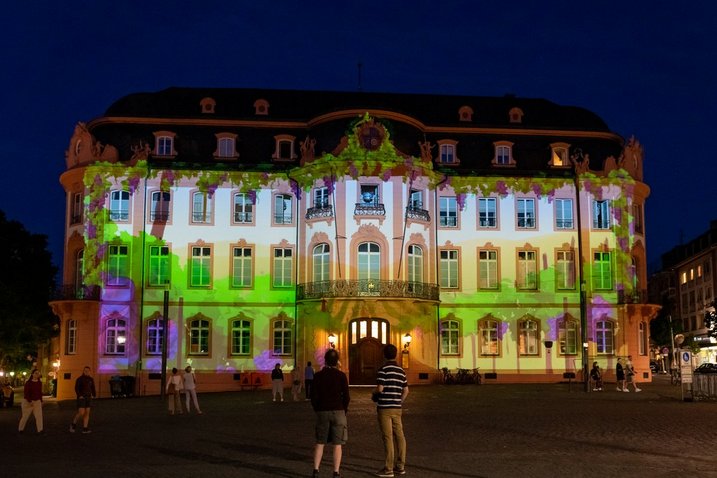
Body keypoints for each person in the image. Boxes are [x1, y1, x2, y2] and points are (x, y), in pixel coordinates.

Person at [311, 348, 350, 478]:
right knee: (337, 444)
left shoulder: (318, 376)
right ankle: (336, 472)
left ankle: (316, 470)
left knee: (320, 442)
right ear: (337, 361)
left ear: (325, 361)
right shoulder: (341, 376)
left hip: (322, 411)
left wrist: (317, 409)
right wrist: (343, 410)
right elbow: (347, 397)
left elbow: (313, 396)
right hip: (338, 411)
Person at [375, 344, 409, 477]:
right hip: (397, 408)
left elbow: (380, 389)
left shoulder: (383, 370)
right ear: (396, 354)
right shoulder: (401, 371)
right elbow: (406, 390)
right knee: (400, 436)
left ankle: (388, 469)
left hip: (384, 408)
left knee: (388, 437)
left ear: (384, 355)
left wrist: (374, 394)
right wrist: (399, 401)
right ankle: (400, 466)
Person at [70, 366, 96, 433]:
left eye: (88, 370)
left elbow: (93, 388)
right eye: (85, 370)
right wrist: (80, 395)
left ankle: (85, 428)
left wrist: (94, 395)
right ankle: (73, 424)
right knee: (81, 412)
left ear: (89, 371)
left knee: (87, 413)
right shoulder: (79, 379)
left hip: (88, 397)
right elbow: (76, 388)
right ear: (83, 371)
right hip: (82, 398)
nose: (86, 371)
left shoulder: (91, 379)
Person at [18, 369, 43, 434]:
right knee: (25, 416)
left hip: (37, 401)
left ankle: (40, 430)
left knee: (39, 416)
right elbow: (26, 393)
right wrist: (29, 400)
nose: (37, 374)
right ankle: (20, 429)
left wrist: (41, 400)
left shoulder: (39, 383)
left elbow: (40, 392)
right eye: (36, 373)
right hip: (27, 402)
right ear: (32, 374)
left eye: (38, 373)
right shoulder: (28, 383)